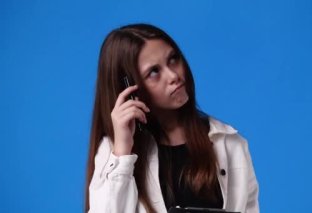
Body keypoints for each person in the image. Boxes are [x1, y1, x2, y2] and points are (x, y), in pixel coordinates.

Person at [85, 23, 259, 213]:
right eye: (154, 72)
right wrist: (122, 153)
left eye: (173, 59)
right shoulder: (114, 154)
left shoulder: (231, 144)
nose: (174, 75)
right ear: (130, 89)